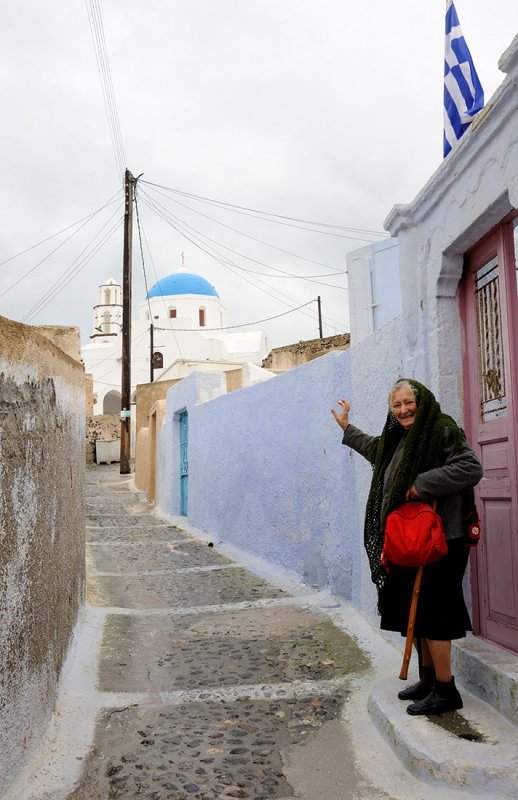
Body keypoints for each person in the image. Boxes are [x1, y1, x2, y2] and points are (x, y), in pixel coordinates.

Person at [331, 378, 483, 715]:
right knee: (412, 612)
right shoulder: (399, 438)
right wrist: (347, 427)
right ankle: (428, 680)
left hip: (442, 539)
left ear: (422, 401)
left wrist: (420, 484)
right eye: (397, 405)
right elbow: (377, 451)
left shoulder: (441, 430)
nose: (403, 410)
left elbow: (471, 468)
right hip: (409, 541)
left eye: (408, 402)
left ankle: (446, 690)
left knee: (434, 613)